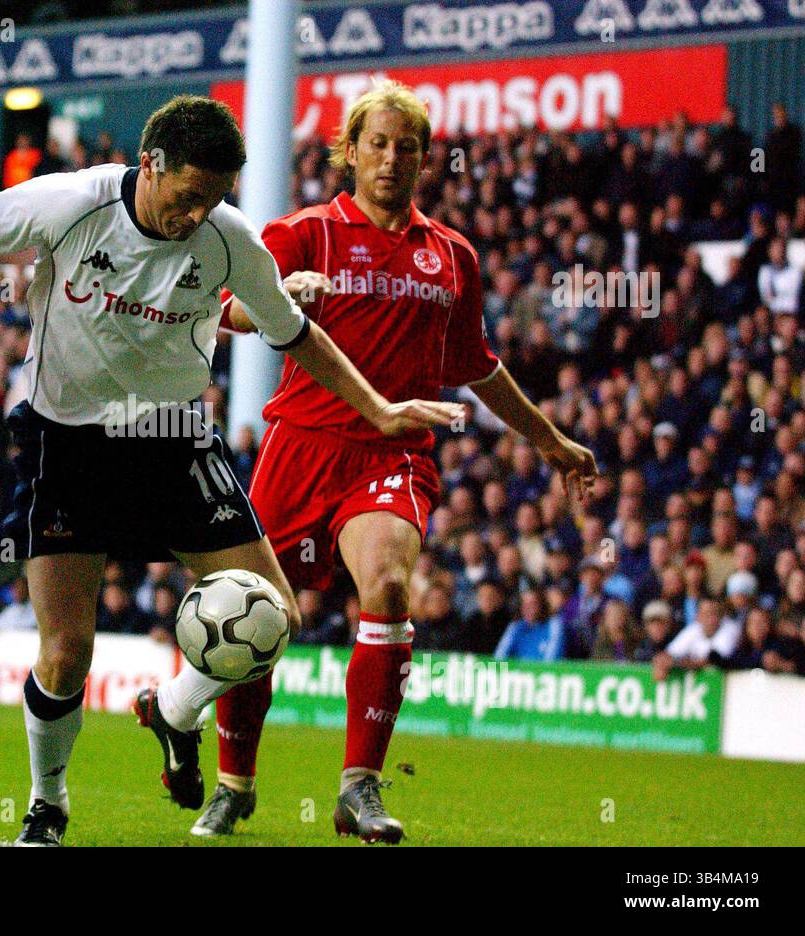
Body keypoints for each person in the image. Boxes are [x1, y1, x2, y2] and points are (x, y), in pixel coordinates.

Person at [0, 94, 463, 845]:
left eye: (215, 199)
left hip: (174, 442)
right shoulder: (69, 202)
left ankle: (176, 709)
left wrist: (378, 408)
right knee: (65, 653)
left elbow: (294, 332)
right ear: (150, 166)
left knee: (276, 613)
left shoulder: (228, 237)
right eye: (188, 196)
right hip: (67, 445)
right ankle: (47, 802)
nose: (197, 216)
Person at [197, 80, 598, 843]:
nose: (391, 158)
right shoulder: (303, 232)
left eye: (406, 147)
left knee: (386, 585)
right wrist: (281, 296)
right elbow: (225, 310)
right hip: (300, 447)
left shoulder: (451, 257)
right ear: (349, 152)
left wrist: (547, 438)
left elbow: (476, 365)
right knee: (256, 618)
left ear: (424, 160)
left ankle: (359, 788)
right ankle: (235, 782)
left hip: (394, 452)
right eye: (376, 144)